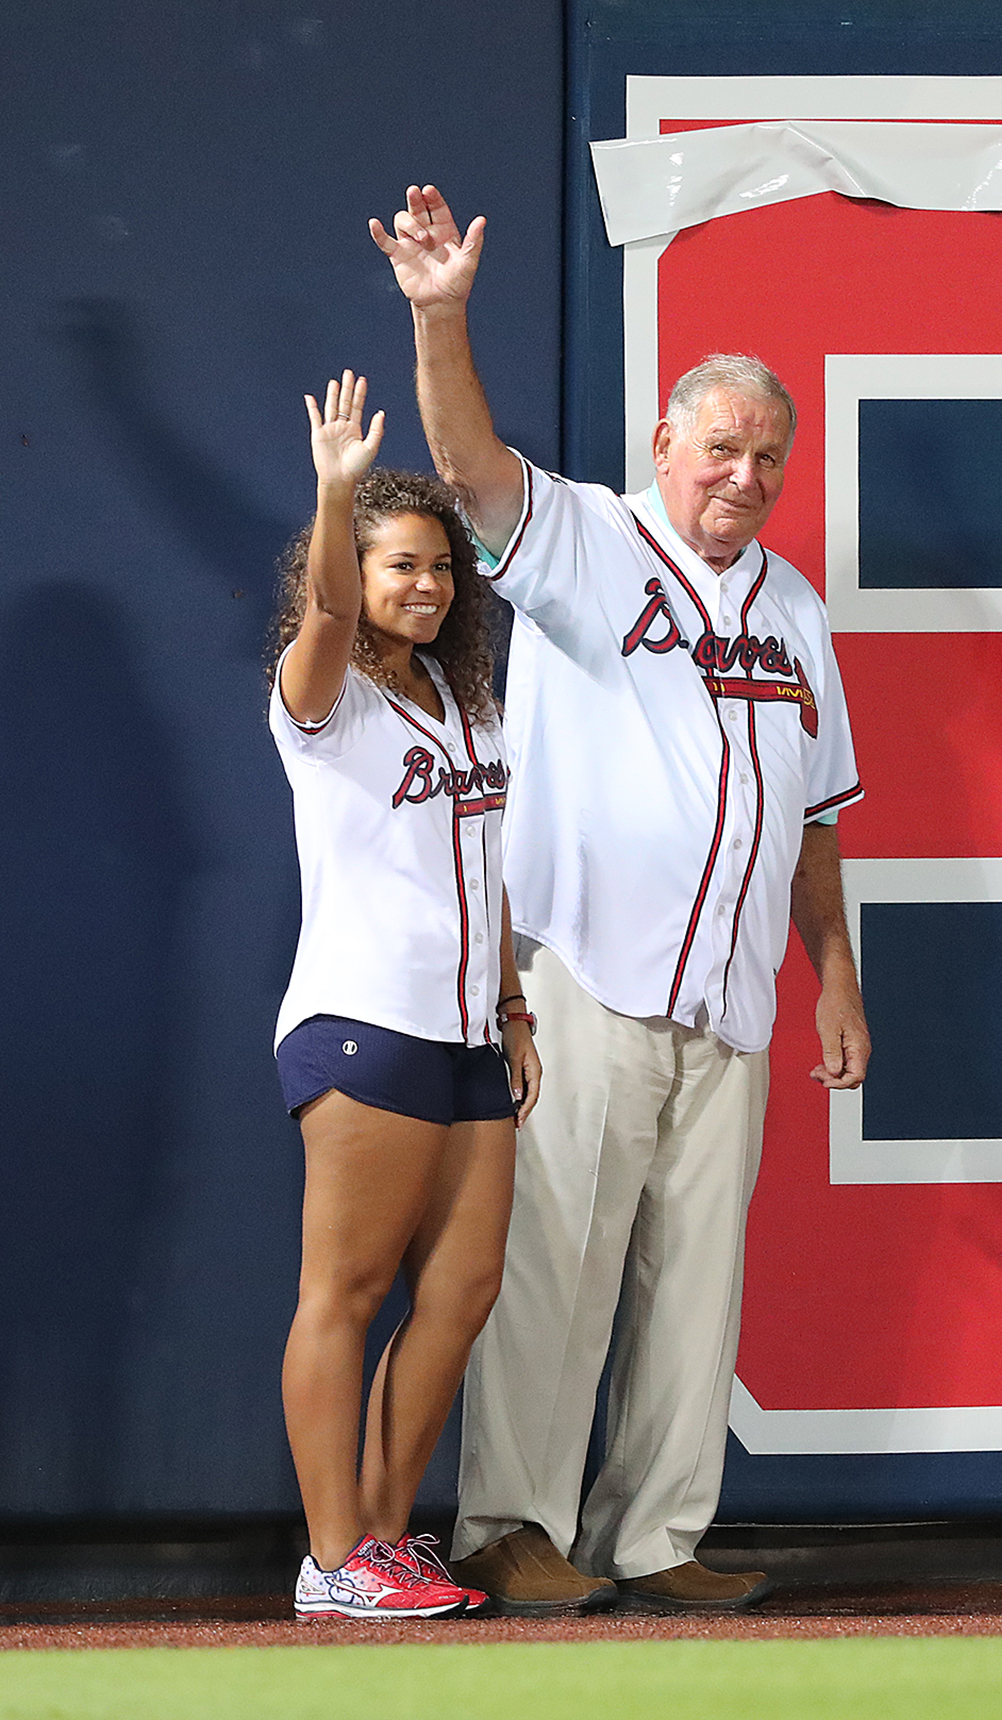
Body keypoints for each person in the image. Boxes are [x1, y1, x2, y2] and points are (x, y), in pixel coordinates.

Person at [372, 186, 869, 1615]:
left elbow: (817, 815)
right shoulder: (590, 542)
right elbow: (467, 468)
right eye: (722, 445)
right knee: (556, 1268)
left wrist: (834, 971)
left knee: (696, 1287)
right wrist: (441, 315)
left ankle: (657, 1535)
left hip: (734, 989)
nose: (746, 473)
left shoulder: (794, 613)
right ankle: (506, 1527)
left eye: (768, 455)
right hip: (584, 970)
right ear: (666, 439)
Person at [270, 371, 541, 1620]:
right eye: (399, 566)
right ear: (355, 573)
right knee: (348, 1289)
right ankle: (331, 1558)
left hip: (470, 1033)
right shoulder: (323, 698)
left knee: (464, 1288)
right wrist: (335, 498)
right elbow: (327, 609)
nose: (425, 585)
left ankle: (383, 1539)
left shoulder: (463, 697)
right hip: (362, 1021)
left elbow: (482, 872)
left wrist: (515, 1007)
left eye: (440, 566)